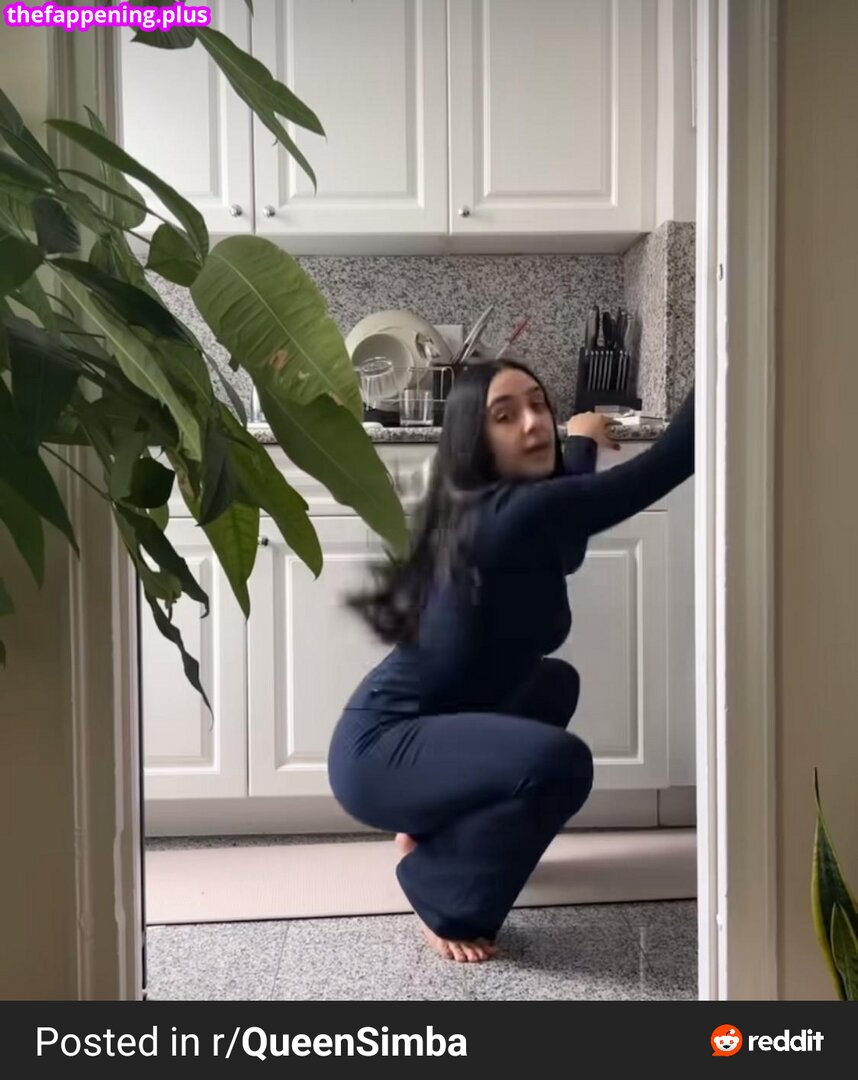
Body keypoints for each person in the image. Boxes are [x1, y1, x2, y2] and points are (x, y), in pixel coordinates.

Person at [328, 359, 694, 963]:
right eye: (505, 415)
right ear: (474, 440)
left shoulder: (507, 510)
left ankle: (437, 831)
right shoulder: (509, 514)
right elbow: (667, 463)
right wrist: (730, 349)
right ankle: (442, 891)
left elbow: (566, 545)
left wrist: (579, 442)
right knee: (562, 764)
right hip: (379, 755)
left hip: (407, 738)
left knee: (552, 684)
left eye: (538, 404)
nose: (533, 423)